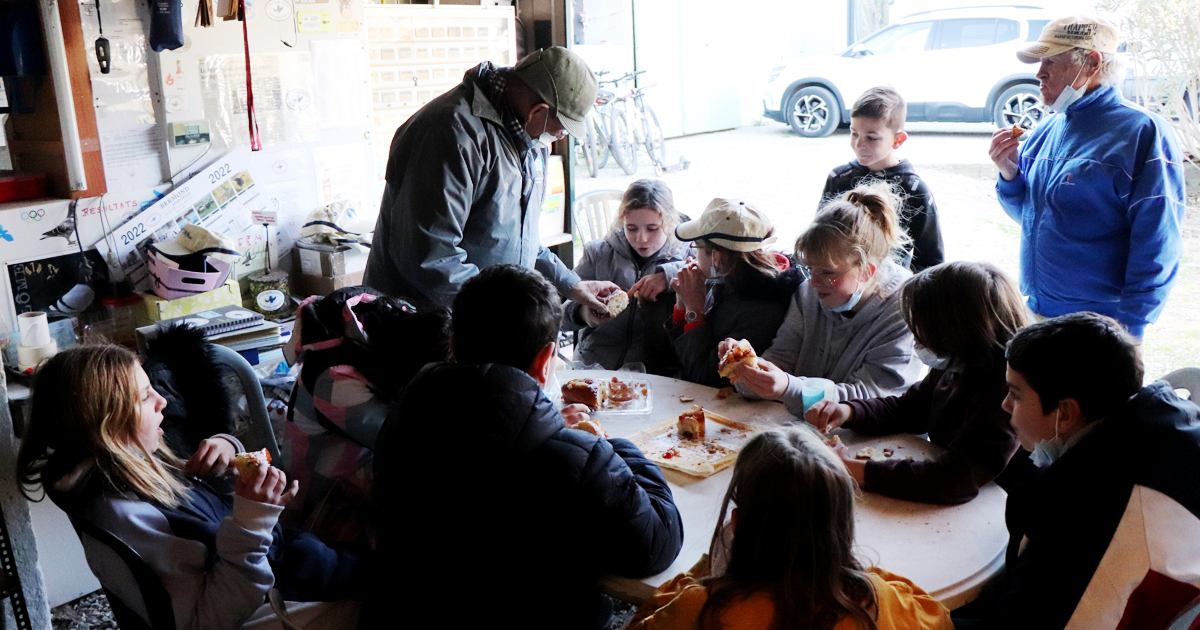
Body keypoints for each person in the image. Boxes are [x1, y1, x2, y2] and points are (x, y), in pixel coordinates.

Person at [365, 264, 684, 630]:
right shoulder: (580, 459)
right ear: (546, 360)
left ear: (453, 343)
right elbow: (659, 543)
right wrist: (612, 446)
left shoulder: (406, 416)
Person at [16, 345, 365, 630]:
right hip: (263, 600)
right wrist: (253, 522)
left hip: (284, 562)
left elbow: (205, 509)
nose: (162, 400)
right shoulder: (123, 515)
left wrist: (228, 449)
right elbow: (204, 620)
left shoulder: (137, 465)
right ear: (108, 424)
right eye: (144, 396)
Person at [951, 312, 1200, 629]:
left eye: (1015, 394)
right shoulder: (1154, 426)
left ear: (1065, 413)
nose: (1004, 406)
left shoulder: (1092, 522)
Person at [363, 46, 617, 313]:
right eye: (562, 128)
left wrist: (572, 284)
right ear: (537, 111)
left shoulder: (528, 139)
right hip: (422, 321)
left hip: (479, 317)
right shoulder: (451, 134)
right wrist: (500, 312)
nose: (561, 136)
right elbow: (430, 257)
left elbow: (519, 239)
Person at [628, 426, 953, 630]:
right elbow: (938, 618)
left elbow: (641, 622)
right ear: (840, 528)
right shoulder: (874, 603)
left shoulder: (701, 606)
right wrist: (862, 574)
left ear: (739, 524)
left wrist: (702, 571)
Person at [987, 16, 1186, 339]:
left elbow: (1158, 240)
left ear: (1092, 63)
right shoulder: (1048, 128)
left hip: (1104, 324)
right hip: (1040, 311)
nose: (1039, 73)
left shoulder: (1142, 133)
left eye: (1051, 61)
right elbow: (1032, 218)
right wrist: (1009, 174)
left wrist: (1128, 330)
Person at [805, 261, 1032, 505]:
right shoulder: (958, 362)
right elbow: (909, 409)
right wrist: (849, 411)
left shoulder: (1003, 392)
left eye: (923, 330)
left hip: (1000, 504)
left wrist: (849, 467)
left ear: (955, 332)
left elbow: (955, 480)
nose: (916, 338)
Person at [731, 183, 922, 416]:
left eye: (828, 273)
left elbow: (874, 398)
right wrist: (747, 367)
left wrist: (789, 389)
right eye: (811, 270)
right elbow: (781, 360)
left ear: (866, 272)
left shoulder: (904, 311)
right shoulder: (809, 293)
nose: (813, 282)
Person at [280, 287, 450, 544]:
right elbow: (405, 445)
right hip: (322, 509)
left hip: (364, 470)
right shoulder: (336, 379)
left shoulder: (400, 330)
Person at [667, 198, 804, 388]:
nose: (692, 257)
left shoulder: (763, 308)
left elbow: (708, 379)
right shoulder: (727, 279)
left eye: (697, 248)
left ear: (717, 257)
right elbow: (674, 361)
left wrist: (694, 312)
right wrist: (682, 306)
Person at [562, 179, 688, 370]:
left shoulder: (688, 257)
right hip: (594, 367)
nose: (641, 239)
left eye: (652, 229)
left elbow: (711, 276)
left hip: (654, 374)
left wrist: (669, 276)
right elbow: (558, 316)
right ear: (622, 221)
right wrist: (583, 313)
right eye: (631, 228)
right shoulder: (597, 254)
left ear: (669, 223)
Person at [821, 86, 944, 272]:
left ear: (898, 140)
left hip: (889, 289)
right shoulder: (839, 178)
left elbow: (931, 260)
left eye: (872, 138)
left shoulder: (914, 190)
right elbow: (820, 238)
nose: (859, 144)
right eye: (854, 133)